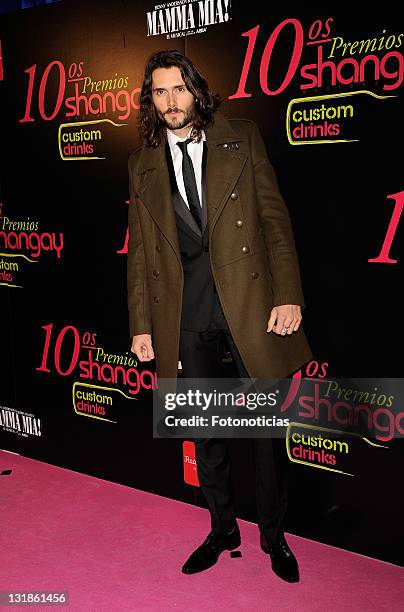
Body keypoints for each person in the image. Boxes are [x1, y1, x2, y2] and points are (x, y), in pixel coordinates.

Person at [127, 49, 313, 582]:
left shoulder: (242, 137)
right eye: (160, 92)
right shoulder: (140, 164)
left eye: (179, 89)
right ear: (151, 99)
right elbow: (140, 253)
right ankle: (222, 530)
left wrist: (288, 295)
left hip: (251, 308)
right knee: (207, 433)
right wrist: (141, 324)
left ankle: (274, 538)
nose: (170, 102)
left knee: (265, 433)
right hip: (185, 316)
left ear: (197, 91)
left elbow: (276, 223)